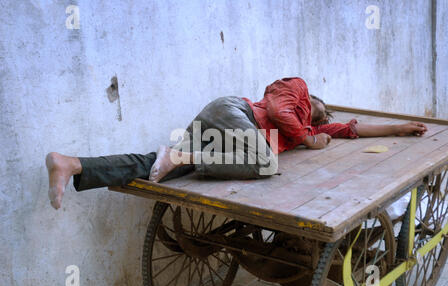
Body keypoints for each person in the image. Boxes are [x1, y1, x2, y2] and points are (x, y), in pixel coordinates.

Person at [46, 77, 428, 210]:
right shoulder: (295, 90)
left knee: (152, 165)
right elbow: (279, 113)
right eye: (319, 111)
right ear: (312, 99)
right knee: (268, 165)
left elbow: (353, 130)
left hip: (228, 140)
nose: (320, 118)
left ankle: (72, 164)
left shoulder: (309, 128)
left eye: (322, 120)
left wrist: (399, 128)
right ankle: (179, 155)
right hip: (230, 113)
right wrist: (309, 140)